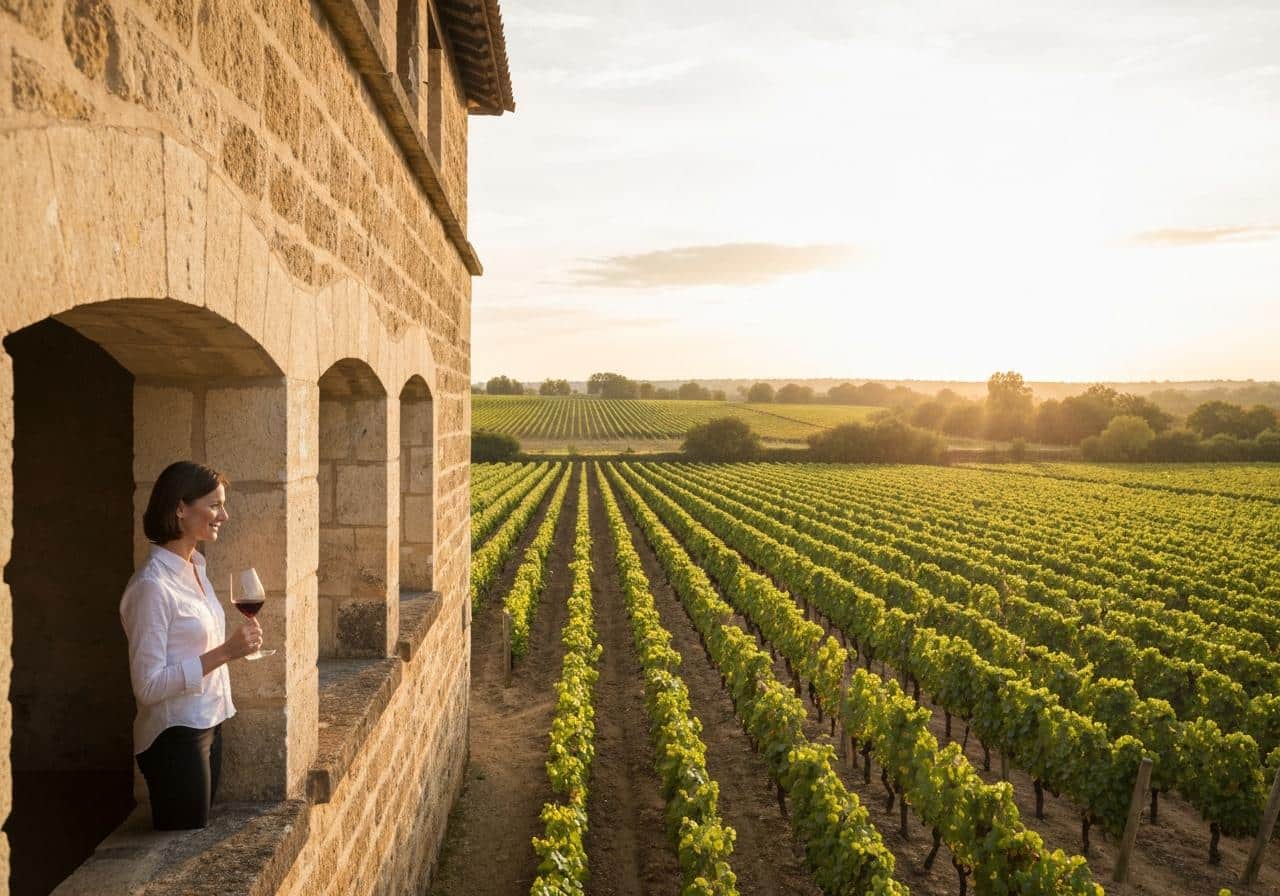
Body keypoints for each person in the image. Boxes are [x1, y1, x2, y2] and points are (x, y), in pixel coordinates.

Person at [119, 461, 262, 830]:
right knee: (179, 840)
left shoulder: (196, 565)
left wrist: (235, 647)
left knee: (193, 834)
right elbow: (147, 686)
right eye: (214, 505)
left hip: (209, 721)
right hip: (174, 736)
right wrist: (226, 652)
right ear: (180, 508)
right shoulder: (151, 587)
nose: (224, 515)